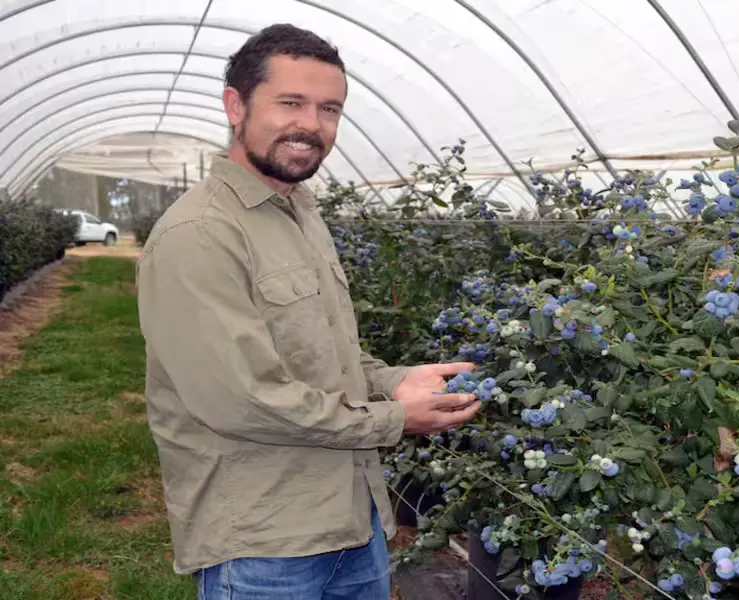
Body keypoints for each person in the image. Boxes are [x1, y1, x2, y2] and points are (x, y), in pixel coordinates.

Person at [135, 23, 481, 600]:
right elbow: (244, 400)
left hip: (354, 519)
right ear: (235, 105)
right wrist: (397, 419)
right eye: (290, 103)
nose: (311, 125)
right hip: (265, 544)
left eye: (329, 109)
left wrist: (401, 382)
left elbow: (326, 355)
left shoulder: (300, 211)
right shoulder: (200, 235)